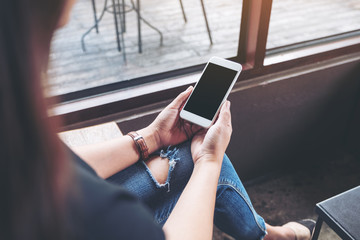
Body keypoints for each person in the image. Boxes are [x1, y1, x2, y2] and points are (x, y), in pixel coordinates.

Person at [0, 0, 315, 239]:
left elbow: (56, 162)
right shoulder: (104, 218)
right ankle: (270, 235)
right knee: (197, 163)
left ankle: (267, 233)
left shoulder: (16, 139)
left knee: (178, 154)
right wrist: (209, 159)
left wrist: (151, 137)